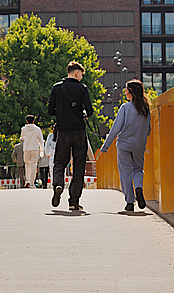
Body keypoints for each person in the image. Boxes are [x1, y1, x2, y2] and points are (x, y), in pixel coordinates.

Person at [100, 79, 152, 212]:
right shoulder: (146, 108)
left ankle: (130, 202)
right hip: (139, 145)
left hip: (124, 145)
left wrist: (105, 146)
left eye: (126, 90)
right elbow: (148, 129)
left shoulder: (125, 107)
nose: (125, 92)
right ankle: (139, 188)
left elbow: (116, 129)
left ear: (131, 93)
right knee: (138, 169)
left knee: (126, 172)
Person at [48, 60, 93, 211]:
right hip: (79, 131)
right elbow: (89, 110)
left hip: (63, 131)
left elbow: (50, 111)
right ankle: (74, 201)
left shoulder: (57, 88)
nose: (81, 77)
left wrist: (62, 112)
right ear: (76, 72)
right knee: (79, 166)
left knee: (60, 162)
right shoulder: (82, 89)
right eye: (81, 74)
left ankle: (58, 184)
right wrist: (82, 113)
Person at [20, 115, 44, 188]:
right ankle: (31, 183)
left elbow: (22, 137)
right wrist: (42, 150)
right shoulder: (37, 129)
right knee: (33, 166)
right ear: (33, 121)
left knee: (27, 165)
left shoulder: (23, 129)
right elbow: (40, 140)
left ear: (27, 121)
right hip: (35, 149)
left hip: (26, 149)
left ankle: (27, 180)